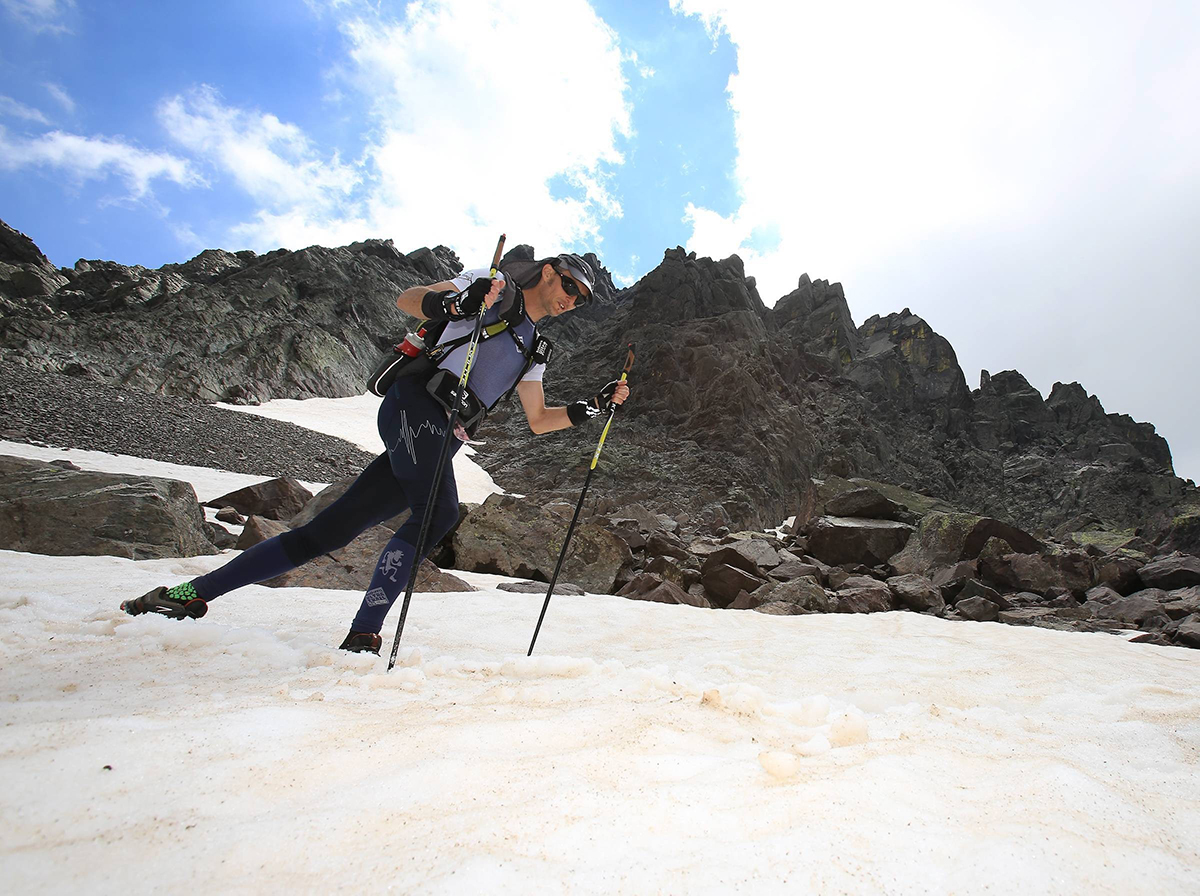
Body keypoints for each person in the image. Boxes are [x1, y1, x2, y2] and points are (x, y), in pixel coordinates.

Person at [121, 252, 630, 654]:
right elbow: (409, 300)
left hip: (445, 438)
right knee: (441, 511)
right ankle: (364, 633)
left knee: (326, 533)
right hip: (416, 406)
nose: (573, 299)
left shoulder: (535, 348)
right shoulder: (492, 286)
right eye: (569, 286)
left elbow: (540, 421)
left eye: (582, 298)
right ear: (548, 272)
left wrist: (593, 407)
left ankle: (189, 594)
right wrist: (455, 305)